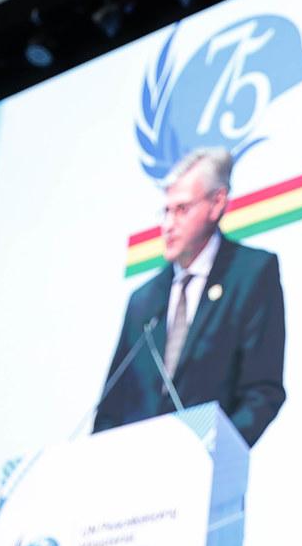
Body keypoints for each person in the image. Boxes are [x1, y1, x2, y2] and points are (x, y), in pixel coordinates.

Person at [93, 148, 286, 447]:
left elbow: (262, 392)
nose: (168, 225)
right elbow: (109, 409)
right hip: (131, 474)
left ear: (217, 203)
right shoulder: (142, 301)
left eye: (182, 209)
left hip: (206, 476)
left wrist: (213, 454)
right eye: (166, 211)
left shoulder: (252, 274)